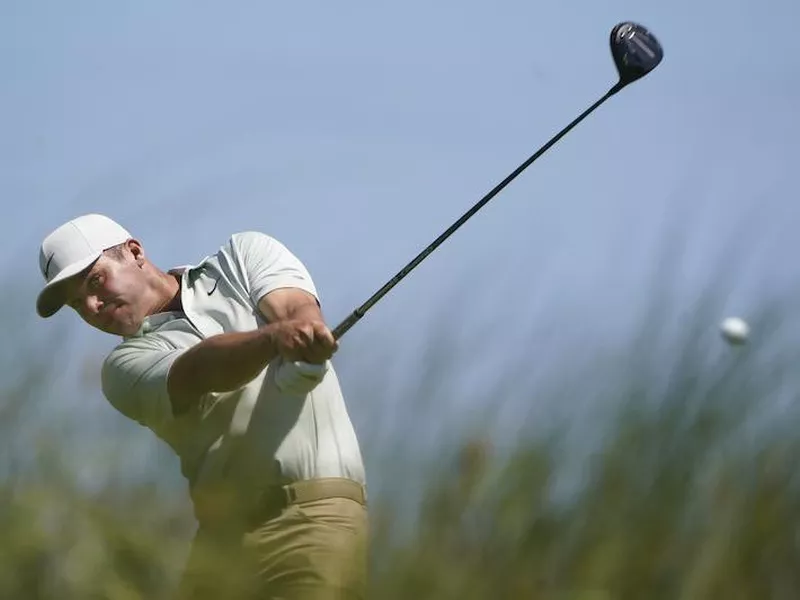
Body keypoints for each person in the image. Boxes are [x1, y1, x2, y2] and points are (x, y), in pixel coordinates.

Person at [35, 213, 368, 599]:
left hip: (312, 518)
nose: (92, 305)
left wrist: (307, 335)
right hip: (218, 545)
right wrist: (275, 340)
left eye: (95, 281)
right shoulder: (121, 369)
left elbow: (295, 308)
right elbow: (199, 369)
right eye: (77, 304)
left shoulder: (241, 257)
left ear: (135, 252)